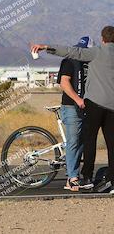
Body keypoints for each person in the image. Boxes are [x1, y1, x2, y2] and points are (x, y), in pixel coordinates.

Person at [31, 26, 114, 191]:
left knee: (89, 140)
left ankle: (88, 177)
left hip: (94, 104)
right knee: (112, 144)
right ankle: (112, 180)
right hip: (112, 106)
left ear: (103, 39)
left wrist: (46, 47)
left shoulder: (96, 52)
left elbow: (70, 51)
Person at [56, 36, 93, 191]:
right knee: (73, 142)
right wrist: (78, 99)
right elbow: (64, 82)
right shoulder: (70, 61)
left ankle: (74, 174)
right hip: (71, 106)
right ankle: (72, 178)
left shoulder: (91, 64)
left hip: (85, 107)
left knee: (81, 141)